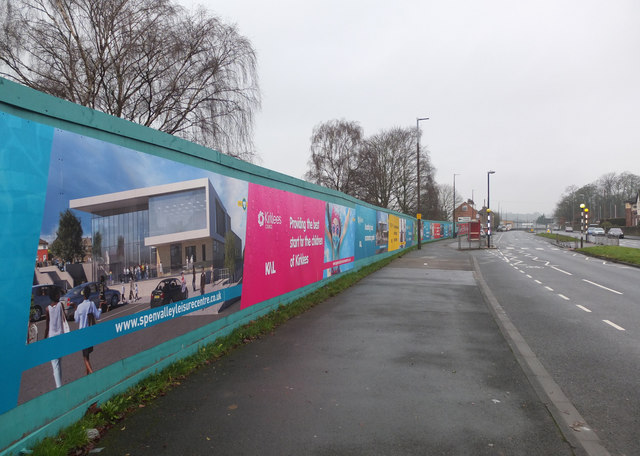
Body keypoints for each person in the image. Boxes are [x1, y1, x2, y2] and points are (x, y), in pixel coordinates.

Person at [74, 286, 102, 375]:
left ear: (83, 295)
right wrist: (100, 307)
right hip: (90, 332)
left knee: (85, 357)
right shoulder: (91, 304)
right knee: (87, 355)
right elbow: (97, 316)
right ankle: (87, 375)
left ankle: (92, 374)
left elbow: (76, 320)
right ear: (89, 294)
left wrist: (75, 309)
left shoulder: (79, 306)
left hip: (82, 333)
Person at [44, 287, 67, 388]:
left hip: (52, 338)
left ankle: (59, 387)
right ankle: (59, 384)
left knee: (55, 364)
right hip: (61, 337)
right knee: (59, 363)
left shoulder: (47, 309)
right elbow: (64, 319)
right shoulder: (60, 305)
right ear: (55, 295)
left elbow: (47, 327)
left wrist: (44, 339)